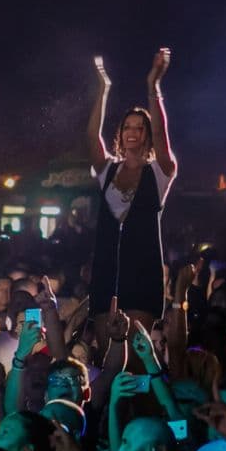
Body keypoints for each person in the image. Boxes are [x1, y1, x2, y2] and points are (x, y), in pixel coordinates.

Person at [86, 49, 178, 332]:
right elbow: (91, 136)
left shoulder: (160, 171)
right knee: (106, 358)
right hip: (106, 275)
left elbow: (162, 133)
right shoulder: (107, 170)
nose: (132, 131)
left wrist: (154, 86)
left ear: (147, 135)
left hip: (142, 275)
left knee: (137, 361)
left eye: (140, 127)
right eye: (127, 126)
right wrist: (103, 90)